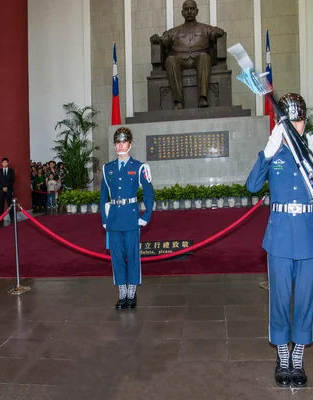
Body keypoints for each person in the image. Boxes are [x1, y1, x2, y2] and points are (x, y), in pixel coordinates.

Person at [246, 93, 313, 388]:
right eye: (290, 121)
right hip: (280, 236)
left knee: (304, 298)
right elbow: (251, 185)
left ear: (304, 122)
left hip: (310, 236)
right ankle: (282, 354)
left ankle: (298, 355)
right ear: (280, 123)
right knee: (279, 298)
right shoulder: (275, 154)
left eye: (299, 120)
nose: (296, 126)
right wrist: (268, 149)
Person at [99, 127, 154, 310]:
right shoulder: (108, 168)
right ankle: (122, 291)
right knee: (116, 257)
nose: (120, 145)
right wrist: (104, 218)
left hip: (131, 218)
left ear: (130, 144)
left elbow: (149, 193)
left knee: (132, 255)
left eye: (124, 142)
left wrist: (145, 216)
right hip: (114, 219)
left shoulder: (139, 167)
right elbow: (103, 196)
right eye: (117, 142)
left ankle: (132, 292)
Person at [150, 0, 225, 109]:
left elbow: (215, 34)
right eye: (186, 9)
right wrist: (157, 39)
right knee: (170, 60)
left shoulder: (206, 28)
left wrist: (219, 32)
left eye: (192, 9)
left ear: (197, 11)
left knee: (204, 57)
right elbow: (164, 41)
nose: (189, 11)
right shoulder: (173, 32)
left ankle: (203, 98)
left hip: (199, 59)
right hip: (180, 60)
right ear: (182, 13)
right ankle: (178, 101)